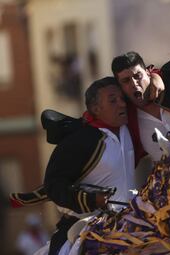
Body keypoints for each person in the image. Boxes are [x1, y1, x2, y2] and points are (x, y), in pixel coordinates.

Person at [43, 77, 135, 255]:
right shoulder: (79, 141)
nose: (123, 104)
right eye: (113, 100)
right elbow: (53, 185)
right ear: (95, 109)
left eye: (122, 99)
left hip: (132, 223)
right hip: (85, 226)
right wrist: (91, 200)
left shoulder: (129, 129)